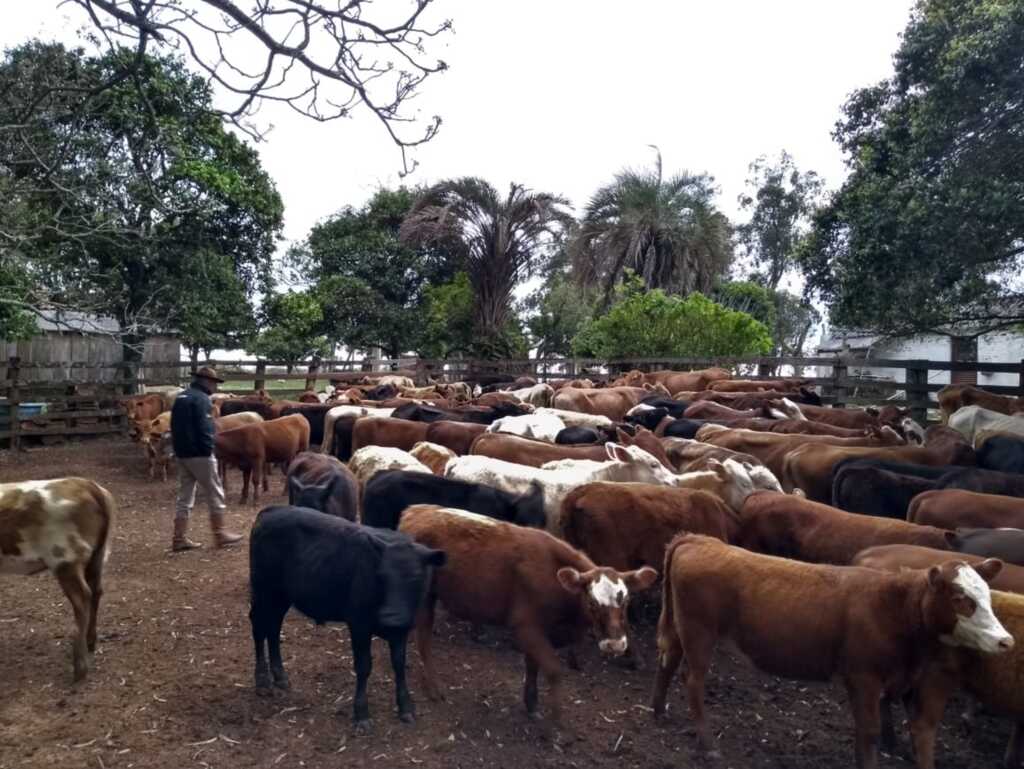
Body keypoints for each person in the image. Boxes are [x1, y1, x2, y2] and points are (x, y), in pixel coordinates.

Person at [169, 366, 241, 551]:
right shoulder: (202, 400)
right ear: (206, 382)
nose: (215, 387)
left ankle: (179, 538)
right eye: (214, 383)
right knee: (215, 492)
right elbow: (205, 429)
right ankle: (220, 534)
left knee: (185, 496)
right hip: (200, 455)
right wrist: (209, 450)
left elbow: (174, 427)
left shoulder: (181, 397)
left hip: (182, 453)